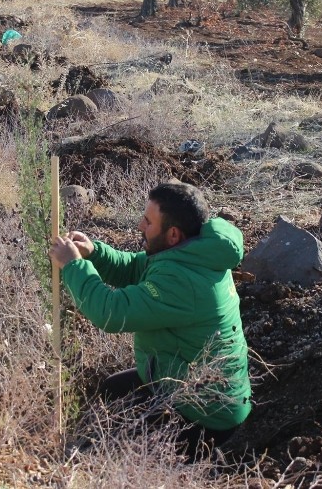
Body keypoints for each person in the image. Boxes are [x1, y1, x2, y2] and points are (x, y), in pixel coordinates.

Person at [48, 181, 252, 456]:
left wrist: (74, 266)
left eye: (148, 222)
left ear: (173, 234)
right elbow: (137, 267)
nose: (141, 227)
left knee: (111, 449)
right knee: (111, 393)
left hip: (203, 417)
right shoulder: (194, 252)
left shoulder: (182, 282)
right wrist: (95, 253)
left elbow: (111, 312)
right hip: (188, 385)